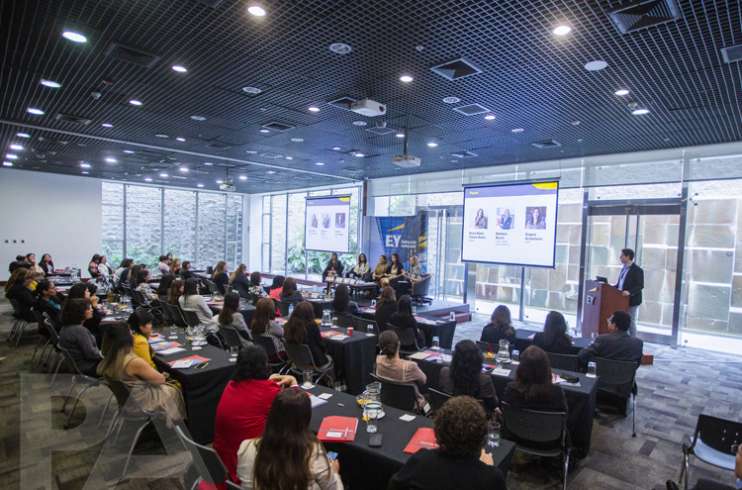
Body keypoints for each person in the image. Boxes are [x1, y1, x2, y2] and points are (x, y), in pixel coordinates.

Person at [213, 345, 297, 483]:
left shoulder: (231, 385)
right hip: (250, 467)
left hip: (221, 464)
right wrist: (293, 383)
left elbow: (252, 395)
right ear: (264, 366)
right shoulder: (267, 392)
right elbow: (297, 409)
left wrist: (268, 382)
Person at [388, 396, 506, 490]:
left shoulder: (420, 460)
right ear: (482, 438)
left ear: (438, 431)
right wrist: (487, 468)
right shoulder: (491, 478)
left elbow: (394, 486)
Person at [236, 388, 343, 490]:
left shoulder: (246, 447)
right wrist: (334, 473)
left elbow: (247, 486)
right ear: (305, 419)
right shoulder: (312, 452)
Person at [97, 322, 185, 426]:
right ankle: (180, 424)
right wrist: (165, 374)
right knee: (177, 387)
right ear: (128, 340)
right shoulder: (133, 362)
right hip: (142, 405)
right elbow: (160, 380)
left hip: (126, 403)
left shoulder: (108, 359)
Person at [502, 345, 567, 413]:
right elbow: (563, 416)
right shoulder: (557, 393)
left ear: (521, 368)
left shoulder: (511, 389)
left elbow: (506, 412)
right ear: (546, 368)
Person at [439, 340, 497, 413]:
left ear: (455, 358)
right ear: (478, 358)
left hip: (450, 413)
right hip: (476, 417)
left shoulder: (445, 372)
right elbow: (493, 404)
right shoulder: (484, 379)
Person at [376, 330, 428, 410]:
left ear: (380, 347)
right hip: (412, 405)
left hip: (386, 402)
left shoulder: (378, 360)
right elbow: (424, 381)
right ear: (399, 344)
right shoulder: (410, 366)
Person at [578, 310, 643, 364]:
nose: (607, 320)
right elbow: (636, 364)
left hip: (602, 375)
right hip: (626, 376)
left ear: (614, 325)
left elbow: (583, 355)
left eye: (610, 319)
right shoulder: (638, 343)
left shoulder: (603, 339)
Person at [58, 299, 102, 376]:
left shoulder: (65, 327)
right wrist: (106, 355)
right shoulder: (79, 330)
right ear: (79, 312)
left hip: (79, 366)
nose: (92, 310)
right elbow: (92, 354)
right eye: (89, 308)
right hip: (89, 368)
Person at [284, 301, 331, 368]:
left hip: (295, 360)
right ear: (310, 313)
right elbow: (320, 344)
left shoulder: (287, 325)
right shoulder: (312, 326)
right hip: (314, 361)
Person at [615, 248, 644, 337]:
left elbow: (640, 285)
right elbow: (620, 284)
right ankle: (625, 339)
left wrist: (629, 292)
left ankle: (633, 340)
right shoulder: (623, 269)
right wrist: (610, 287)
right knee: (623, 321)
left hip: (632, 300)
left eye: (622, 255)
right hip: (622, 299)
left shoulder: (637, 270)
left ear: (628, 257)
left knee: (630, 321)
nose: (620, 257)